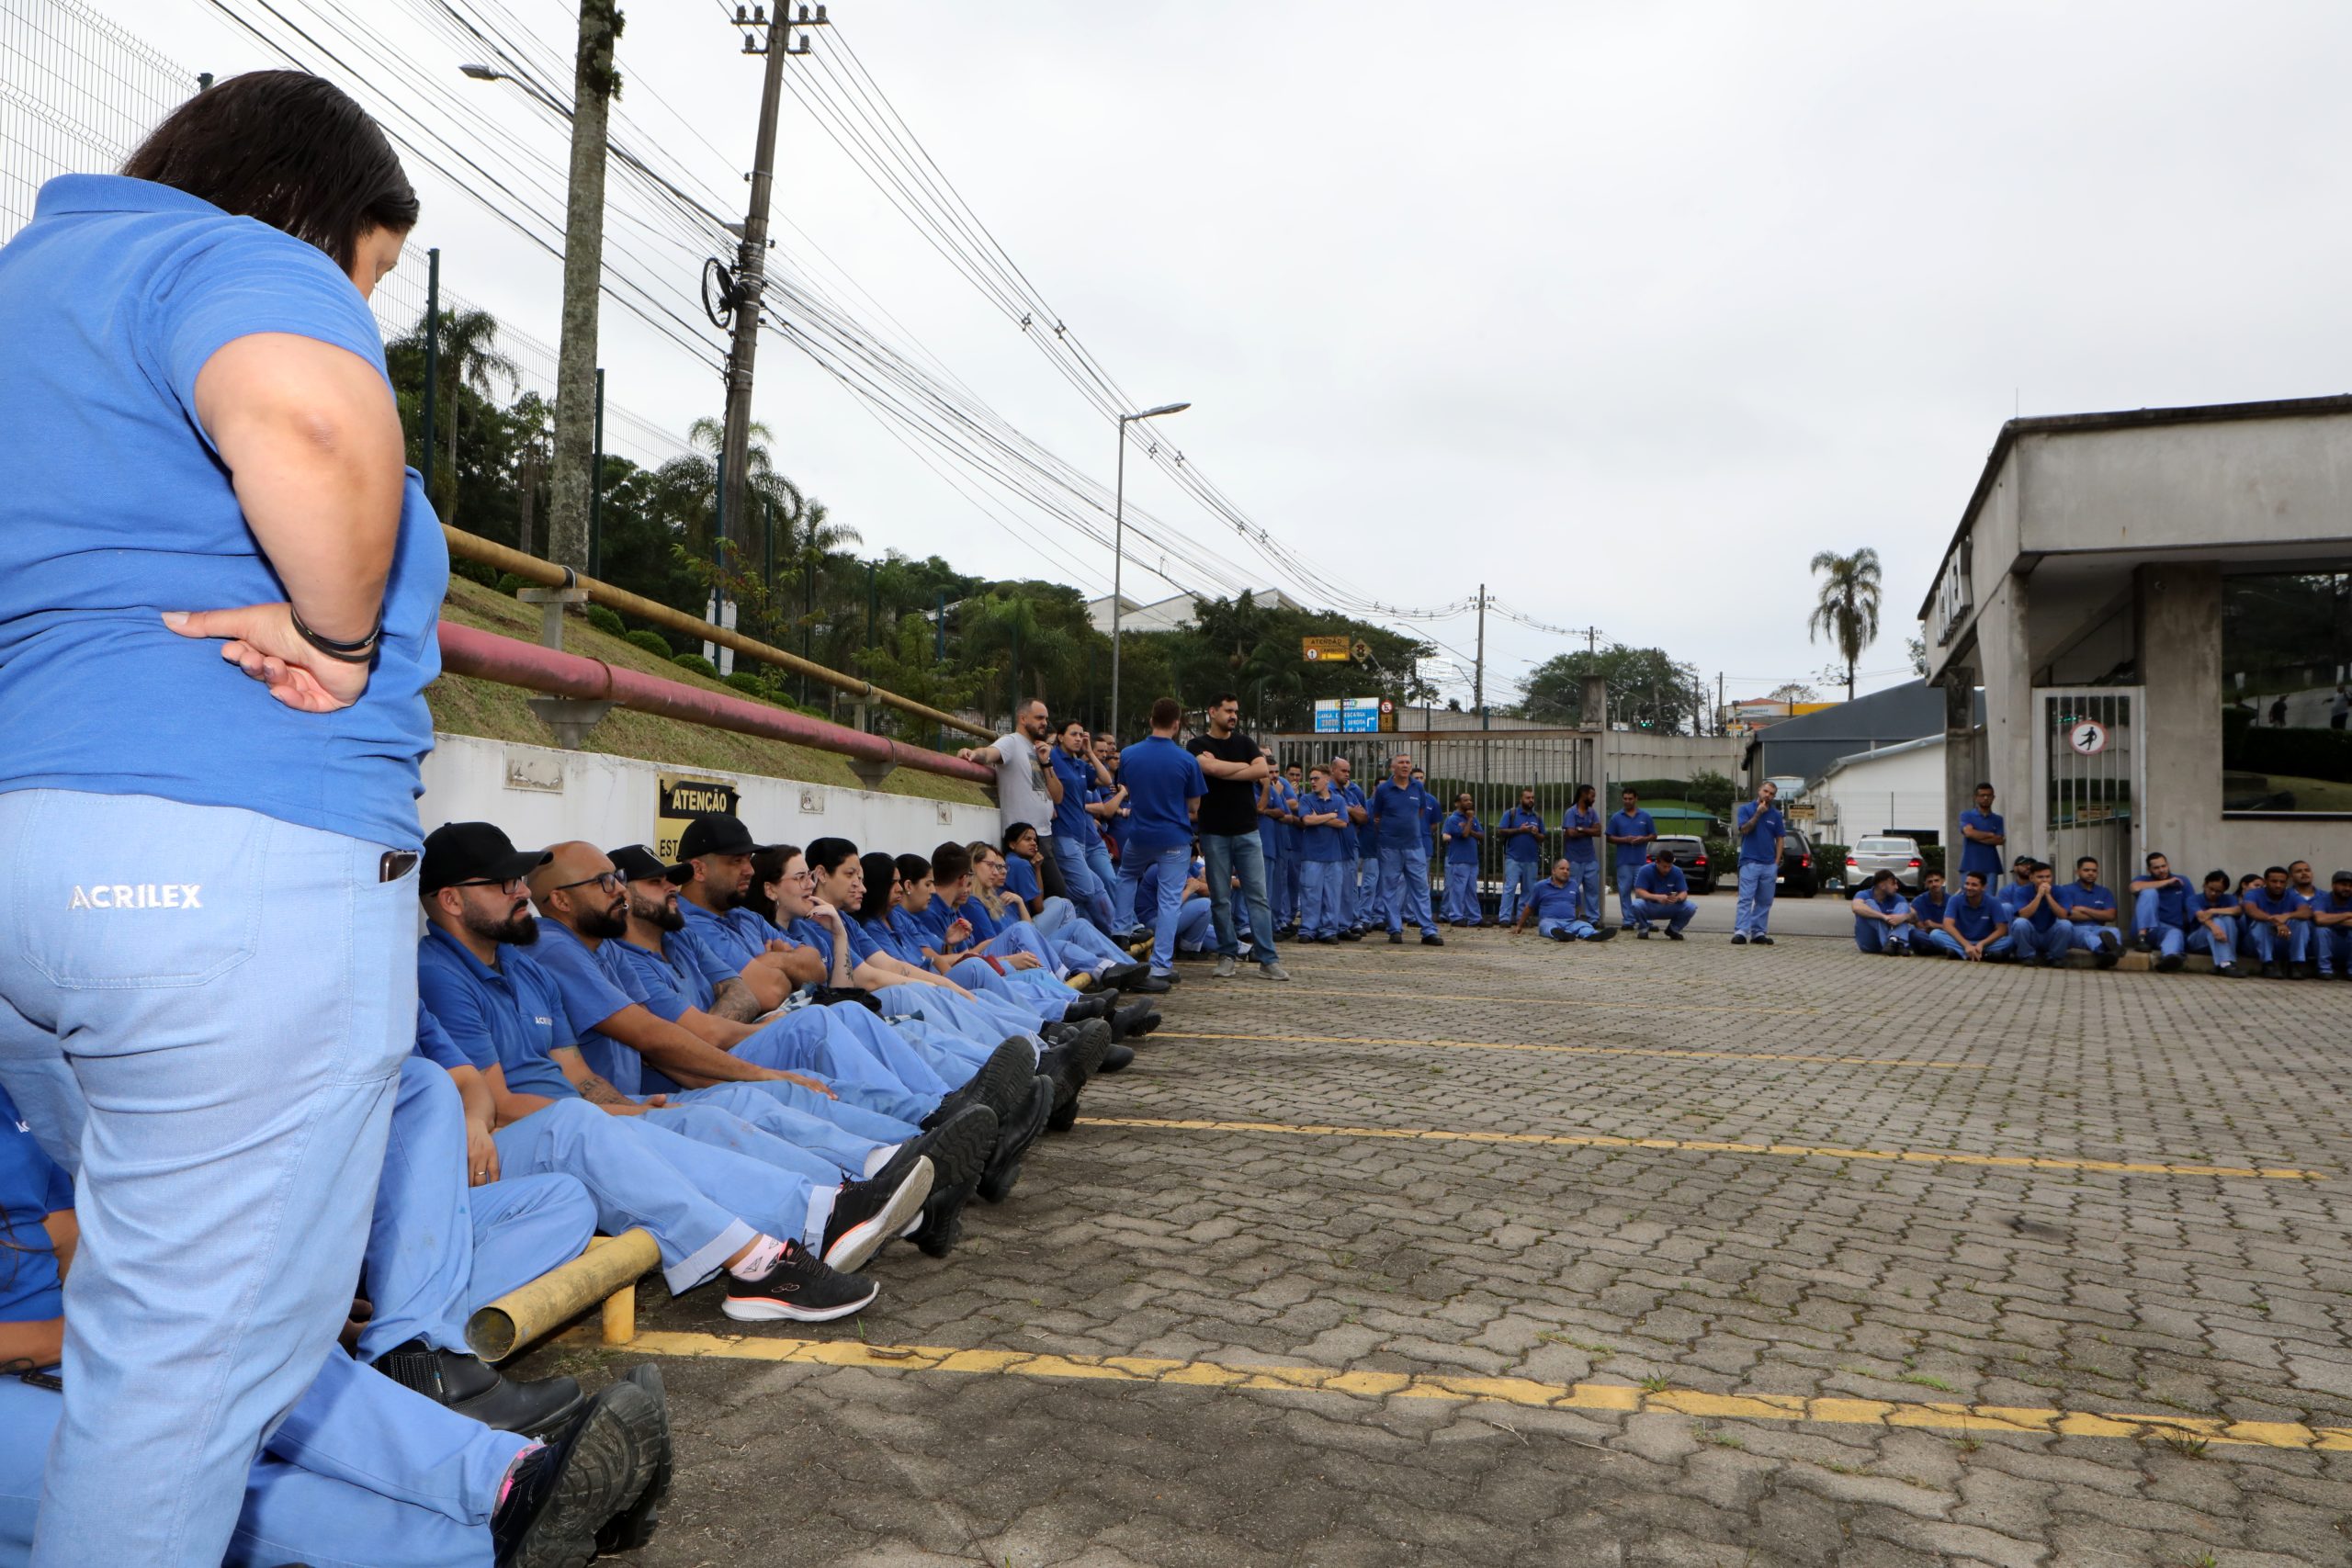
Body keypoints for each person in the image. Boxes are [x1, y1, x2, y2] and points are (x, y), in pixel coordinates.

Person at [0, 73, 455, 1564]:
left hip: (30, 875)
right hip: (225, 880)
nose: (360, 311)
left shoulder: (28, 301)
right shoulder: (223, 257)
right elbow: (317, 430)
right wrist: (337, 635)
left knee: (146, 1330)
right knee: (177, 1386)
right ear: (306, 208)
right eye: (366, 273)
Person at [0, 1081, 674, 1568]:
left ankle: (518, 1480)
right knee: (186, 1480)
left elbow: (72, 1245)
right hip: (26, 1375)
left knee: (263, 1345)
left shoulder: (12, 1093)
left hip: (84, 1342)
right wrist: (102, 1336)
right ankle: (505, 1542)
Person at [413, 830, 924, 1321]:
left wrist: (630, 1111)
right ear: (452, 902)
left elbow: (573, 1071)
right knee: (604, 1122)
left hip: (571, 1121)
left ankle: (832, 1204)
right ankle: (763, 1262)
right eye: (507, 885)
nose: (523, 892)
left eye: (521, 880)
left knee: (699, 1118)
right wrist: (624, 1114)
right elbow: (499, 1102)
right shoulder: (440, 971)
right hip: (518, 1141)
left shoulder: (522, 965)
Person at [1187, 694, 1289, 981]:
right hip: (1214, 831)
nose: (1233, 715)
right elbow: (1210, 769)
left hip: (1247, 830)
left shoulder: (1245, 742)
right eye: (1228, 710)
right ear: (1212, 711)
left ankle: (1268, 959)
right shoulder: (1196, 745)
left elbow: (1260, 771)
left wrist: (1221, 767)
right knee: (1220, 898)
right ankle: (1227, 955)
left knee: (1258, 896)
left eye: (1235, 711)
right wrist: (1242, 771)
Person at [1114, 698, 1209, 981]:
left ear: (1150, 718)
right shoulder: (1187, 760)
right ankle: (1161, 965)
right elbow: (1195, 806)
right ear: (1177, 724)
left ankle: (1120, 931)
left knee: (1127, 875)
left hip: (1140, 833)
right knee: (1169, 901)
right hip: (1174, 838)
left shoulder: (1129, 754)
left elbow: (1127, 788)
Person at [957, 698, 1069, 905]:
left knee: (1047, 896)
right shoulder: (1012, 741)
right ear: (1023, 718)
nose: (1044, 723)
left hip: (1045, 833)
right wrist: (973, 754)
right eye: (1039, 718)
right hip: (1024, 838)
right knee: (1057, 895)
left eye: (1046, 718)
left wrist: (1046, 762)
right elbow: (990, 752)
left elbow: (1058, 796)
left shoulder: (1038, 751)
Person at [1046, 719, 1120, 933]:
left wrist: (1090, 751)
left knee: (1096, 886)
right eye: (1074, 734)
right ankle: (1055, 903)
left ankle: (1108, 933)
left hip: (1081, 836)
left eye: (1082, 735)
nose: (1079, 738)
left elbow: (1106, 780)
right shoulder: (1053, 757)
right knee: (1086, 889)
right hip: (1063, 832)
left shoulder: (1079, 764)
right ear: (1060, 736)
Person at [1368, 753, 1443, 946]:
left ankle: (1428, 931)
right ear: (1392, 767)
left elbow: (1419, 812)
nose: (1405, 765)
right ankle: (1394, 929)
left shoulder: (1417, 787)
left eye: (1408, 762)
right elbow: (1377, 816)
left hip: (1414, 846)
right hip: (1389, 847)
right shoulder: (1384, 789)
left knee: (1420, 888)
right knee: (1390, 888)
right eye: (1401, 762)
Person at [1296, 768, 1351, 942]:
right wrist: (1329, 815)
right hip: (1312, 855)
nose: (1312, 782)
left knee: (1332, 895)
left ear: (1326, 779)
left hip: (1334, 856)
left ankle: (1328, 931)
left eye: (1316, 778)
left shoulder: (1339, 800)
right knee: (1310, 894)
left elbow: (1343, 823)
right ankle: (1308, 930)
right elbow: (1307, 820)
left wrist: (1318, 817)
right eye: (1311, 779)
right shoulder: (1305, 799)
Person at [1731, 781, 1784, 945]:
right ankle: (1741, 931)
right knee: (1746, 898)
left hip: (1769, 864)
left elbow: (1780, 839)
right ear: (1759, 790)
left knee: (1765, 900)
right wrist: (1758, 814)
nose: (1768, 795)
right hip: (1749, 861)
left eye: (1771, 794)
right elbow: (1744, 830)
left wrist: (1776, 862)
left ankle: (1758, 932)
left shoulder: (1776, 815)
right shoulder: (1745, 809)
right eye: (1766, 791)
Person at [1511, 859, 1614, 942]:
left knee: (1584, 925)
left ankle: (1593, 935)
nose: (1566, 871)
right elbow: (1529, 907)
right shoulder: (1541, 886)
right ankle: (1560, 935)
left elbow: (1577, 906)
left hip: (1570, 922)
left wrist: (1575, 918)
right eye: (1562, 868)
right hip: (1549, 920)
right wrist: (1519, 925)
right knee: (1547, 927)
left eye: (1568, 869)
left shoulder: (1573, 885)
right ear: (1553, 871)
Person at [1924, 871, 2016, 961]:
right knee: (1935, 934)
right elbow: (1947, 925)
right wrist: (1967, 945)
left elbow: (2002, 929)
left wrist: (1982, 944)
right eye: (1967, 884)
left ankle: (1962, 953)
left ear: (1984, 887)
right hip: (1961, 941)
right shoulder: (1955, 900)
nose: (1969, 887)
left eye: (1974, 885)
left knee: (2010, 941)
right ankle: (1982, 954)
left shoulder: (1993, 902)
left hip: (1986, 942)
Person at [1330, 756, 1374, 936]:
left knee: (1350, 886)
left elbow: (1364, 817)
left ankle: (1351, 921)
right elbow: (1331, 812)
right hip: (1332, 845)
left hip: (1351, 845)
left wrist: (1348, 812)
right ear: (1333, 771)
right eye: (1343, 770)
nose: (1347, 774)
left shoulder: (1352, 794)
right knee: (1334, 886)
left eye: (1349, 771)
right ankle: (1337, 924)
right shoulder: (1328, 792)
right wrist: (1348, 810)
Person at [2241, 865, 2310, 978]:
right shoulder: (2253, 894)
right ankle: (2268, 964)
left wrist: (2287, 915)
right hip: (2255, 945)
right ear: (2265, 881)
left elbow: (2306, 912)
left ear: (2286, 883)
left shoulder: (2292, 895)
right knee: (2261, 923)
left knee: (2301, 923)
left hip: (2282, 941)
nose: (2278, 885)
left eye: (2282, 882)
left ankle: (2296, 964)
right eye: (2274, 881)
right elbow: (2251, 910)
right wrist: (2277, 922)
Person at [2058, 855, 2123, 968]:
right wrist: (2099, 914)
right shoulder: (2066, 890)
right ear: (2077, 872)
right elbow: (2068, 915)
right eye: (2086, 870)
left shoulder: (2104, 892)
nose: (2091, 873)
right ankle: (2111, 952)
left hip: (2099, 929)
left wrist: (2084, 909)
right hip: (2075, 929)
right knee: (2087, 935)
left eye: (2094, 871)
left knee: (2114, 930)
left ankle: (2108, 956)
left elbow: (2111, 916)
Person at [2006, 862, 2075, 967]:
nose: (2044, 880)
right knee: (2019, 923)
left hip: (2050, 933)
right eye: (2040, 877)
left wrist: (2048, 896)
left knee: (2066, 925)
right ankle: (2027, 956)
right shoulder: (2021, 891)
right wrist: (2038, 896)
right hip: (2032, 933)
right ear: (2031, 878)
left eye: (2048, 877)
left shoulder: (2060, 890)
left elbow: (2063, 915)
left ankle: (2055, 957)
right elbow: (2023, 915)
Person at [1606, 788, 1658, 930]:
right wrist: (1625, 839)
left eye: (1630, 798)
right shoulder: (1616, 817)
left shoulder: (1645, 816)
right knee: (1624, 891)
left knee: (1643, 892)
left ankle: (1645, 920)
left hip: (1641, 862)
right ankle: (1628, 920)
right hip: (1623, 861)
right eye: (1625, 798)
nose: (1627, 801)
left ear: (1636, 799)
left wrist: (1643, 838)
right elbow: (1609, 837)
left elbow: (1654, 835)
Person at [1497, 788, 1546, 928]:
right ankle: (1504, 918)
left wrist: (1536, 834)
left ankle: (1521, 918)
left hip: (1531, 860)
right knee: (1509, 888)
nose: (1531, 800)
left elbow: (1543, 837)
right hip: (1513, 858)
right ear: (1521, 799)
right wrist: (1520, 830)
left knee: (1528, 891)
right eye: (1527, 798)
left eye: (1532, 798)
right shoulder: (1511, 813)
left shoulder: (1537, 817)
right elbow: (1501, 830)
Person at [1257, 764, 1295, 935]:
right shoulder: (1260, 788)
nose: (1272, 776)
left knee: (1276, 889)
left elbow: (1285, 814)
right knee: (1262, 890)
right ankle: (1263, 927)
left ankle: (1275, 924)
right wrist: (1268, 809)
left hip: (1276, 845)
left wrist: (1267, 811)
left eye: (1275, 772)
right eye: (1269, 772)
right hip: (1261, 845)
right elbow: (1258, 809)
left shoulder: (1276, 788)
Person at [1628, 845, 1697, 939]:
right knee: (1636, 905)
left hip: (1670, 905)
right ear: (1657, 862)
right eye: (1664, 866)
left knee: (1691, 907)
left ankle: (1673, 929)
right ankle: (1643, 929)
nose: (1667, 870)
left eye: (1669, 866)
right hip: (1650, 905)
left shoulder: (1677, 871)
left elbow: (1684, 892)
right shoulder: (1645, 870)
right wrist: (1657, 897)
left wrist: (1678, 898)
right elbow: (1639, 891)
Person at [2181, 869, 2241, 976]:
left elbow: (2238, 910)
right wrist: (2214, 927)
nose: (2213, 893)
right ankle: (2226, 963)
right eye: (2211, 889)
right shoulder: (2193, 899)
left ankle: (2226, 963)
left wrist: (2213, 910)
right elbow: (2201, 916)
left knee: (2229, 920)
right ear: (2205, 885)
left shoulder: (2229, 899)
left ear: (2224, 890)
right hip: (2197, 941)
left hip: (2221, 939)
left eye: (2218, 891)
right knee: (2218, 920)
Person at [1561, 784, 1605, 928]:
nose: (1593, 799)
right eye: (1592, 796)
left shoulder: (1592, 813)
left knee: (1593, 890)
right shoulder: (1571, 812)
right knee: (1572, 890)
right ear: (1583, 795)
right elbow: (1571, 833)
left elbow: (1598, 831)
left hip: (1590, 859)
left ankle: (1594, 919)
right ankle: (1570, 916)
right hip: (1573, 859)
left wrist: (1580, 828)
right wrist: (1588, 830)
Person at [2130, 852, 2192, 953]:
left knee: (2175, 933)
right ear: (2149, 870)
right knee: (2149, 892)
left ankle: (2168, 957)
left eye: (2164, 866)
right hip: (2146, 929)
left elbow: (2191, 907)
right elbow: (2134, 888)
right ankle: (2142, 938)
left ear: (2168, 865)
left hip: (2169, 930)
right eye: (2156, 868)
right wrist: (2167, 882)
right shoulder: (2143, 880)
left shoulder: (2182, 881)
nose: (2162, 870)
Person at [1441, 793, 1485, 926]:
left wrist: (1470, 828)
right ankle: (1456, 916)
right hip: (1459, 860)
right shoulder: (1453, 819)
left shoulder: (1473, 818)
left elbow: (1481, 835)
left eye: (1470, 800)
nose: (1469, 802)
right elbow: (1464, 835)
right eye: (1465, 800)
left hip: (1472, 860)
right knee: (1458, 889)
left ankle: (1474, 917)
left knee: (1471, 890)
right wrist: (1470, 821)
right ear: (1457, 803)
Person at [1850, 870, 1917, 954]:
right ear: (1882, 885)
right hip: (1870, 942)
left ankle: (1893, 940)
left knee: (1903, 906)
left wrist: (1903, 917)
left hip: (1891, 947)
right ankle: (1896, 941)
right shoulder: (1863, 894)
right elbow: (1856, 907)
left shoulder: (1897, 898)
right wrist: (1884, 917)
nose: (1897, 887)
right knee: (1870, 904)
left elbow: (1914, 916)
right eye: (1893, 884)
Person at [1956, 783, 2006, 888]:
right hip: (1969, 864)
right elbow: (1968, 833)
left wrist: (1976, 835)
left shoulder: (1998, 819)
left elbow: (1999, 840)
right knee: (1968, 898)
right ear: (1976, 797)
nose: (1986, 798)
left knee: (1989, 901)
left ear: (1993, 797)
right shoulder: (1967, 815)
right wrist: (1989, 834)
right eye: (1982, 795)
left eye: (1989, 795)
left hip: (1991, 866)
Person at [2309, 869, 2352, 980]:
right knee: (2321, 930)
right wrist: (2347, 914)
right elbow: (2319, 920)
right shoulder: (2322, 899)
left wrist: (2331, 918)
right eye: (2343, 885)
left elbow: (2325, 918)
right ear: (2333, 885)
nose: (2347, 888)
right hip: (2330, 943)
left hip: (2347, 943)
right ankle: (2325, 969)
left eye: (2350, 886)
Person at [1909, 868, 1951, 937]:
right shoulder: (1919, 901)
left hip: (1946, 937)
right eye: (1930, 882)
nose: (1934, 884)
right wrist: (1943, 927)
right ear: (1925, 884)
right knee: (1914, 934)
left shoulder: (1951, 900)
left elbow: (1956, 928)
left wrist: (1935, 925)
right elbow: (1921, 927)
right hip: (1927, 937)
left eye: (1937, 880)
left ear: (1943, 881)